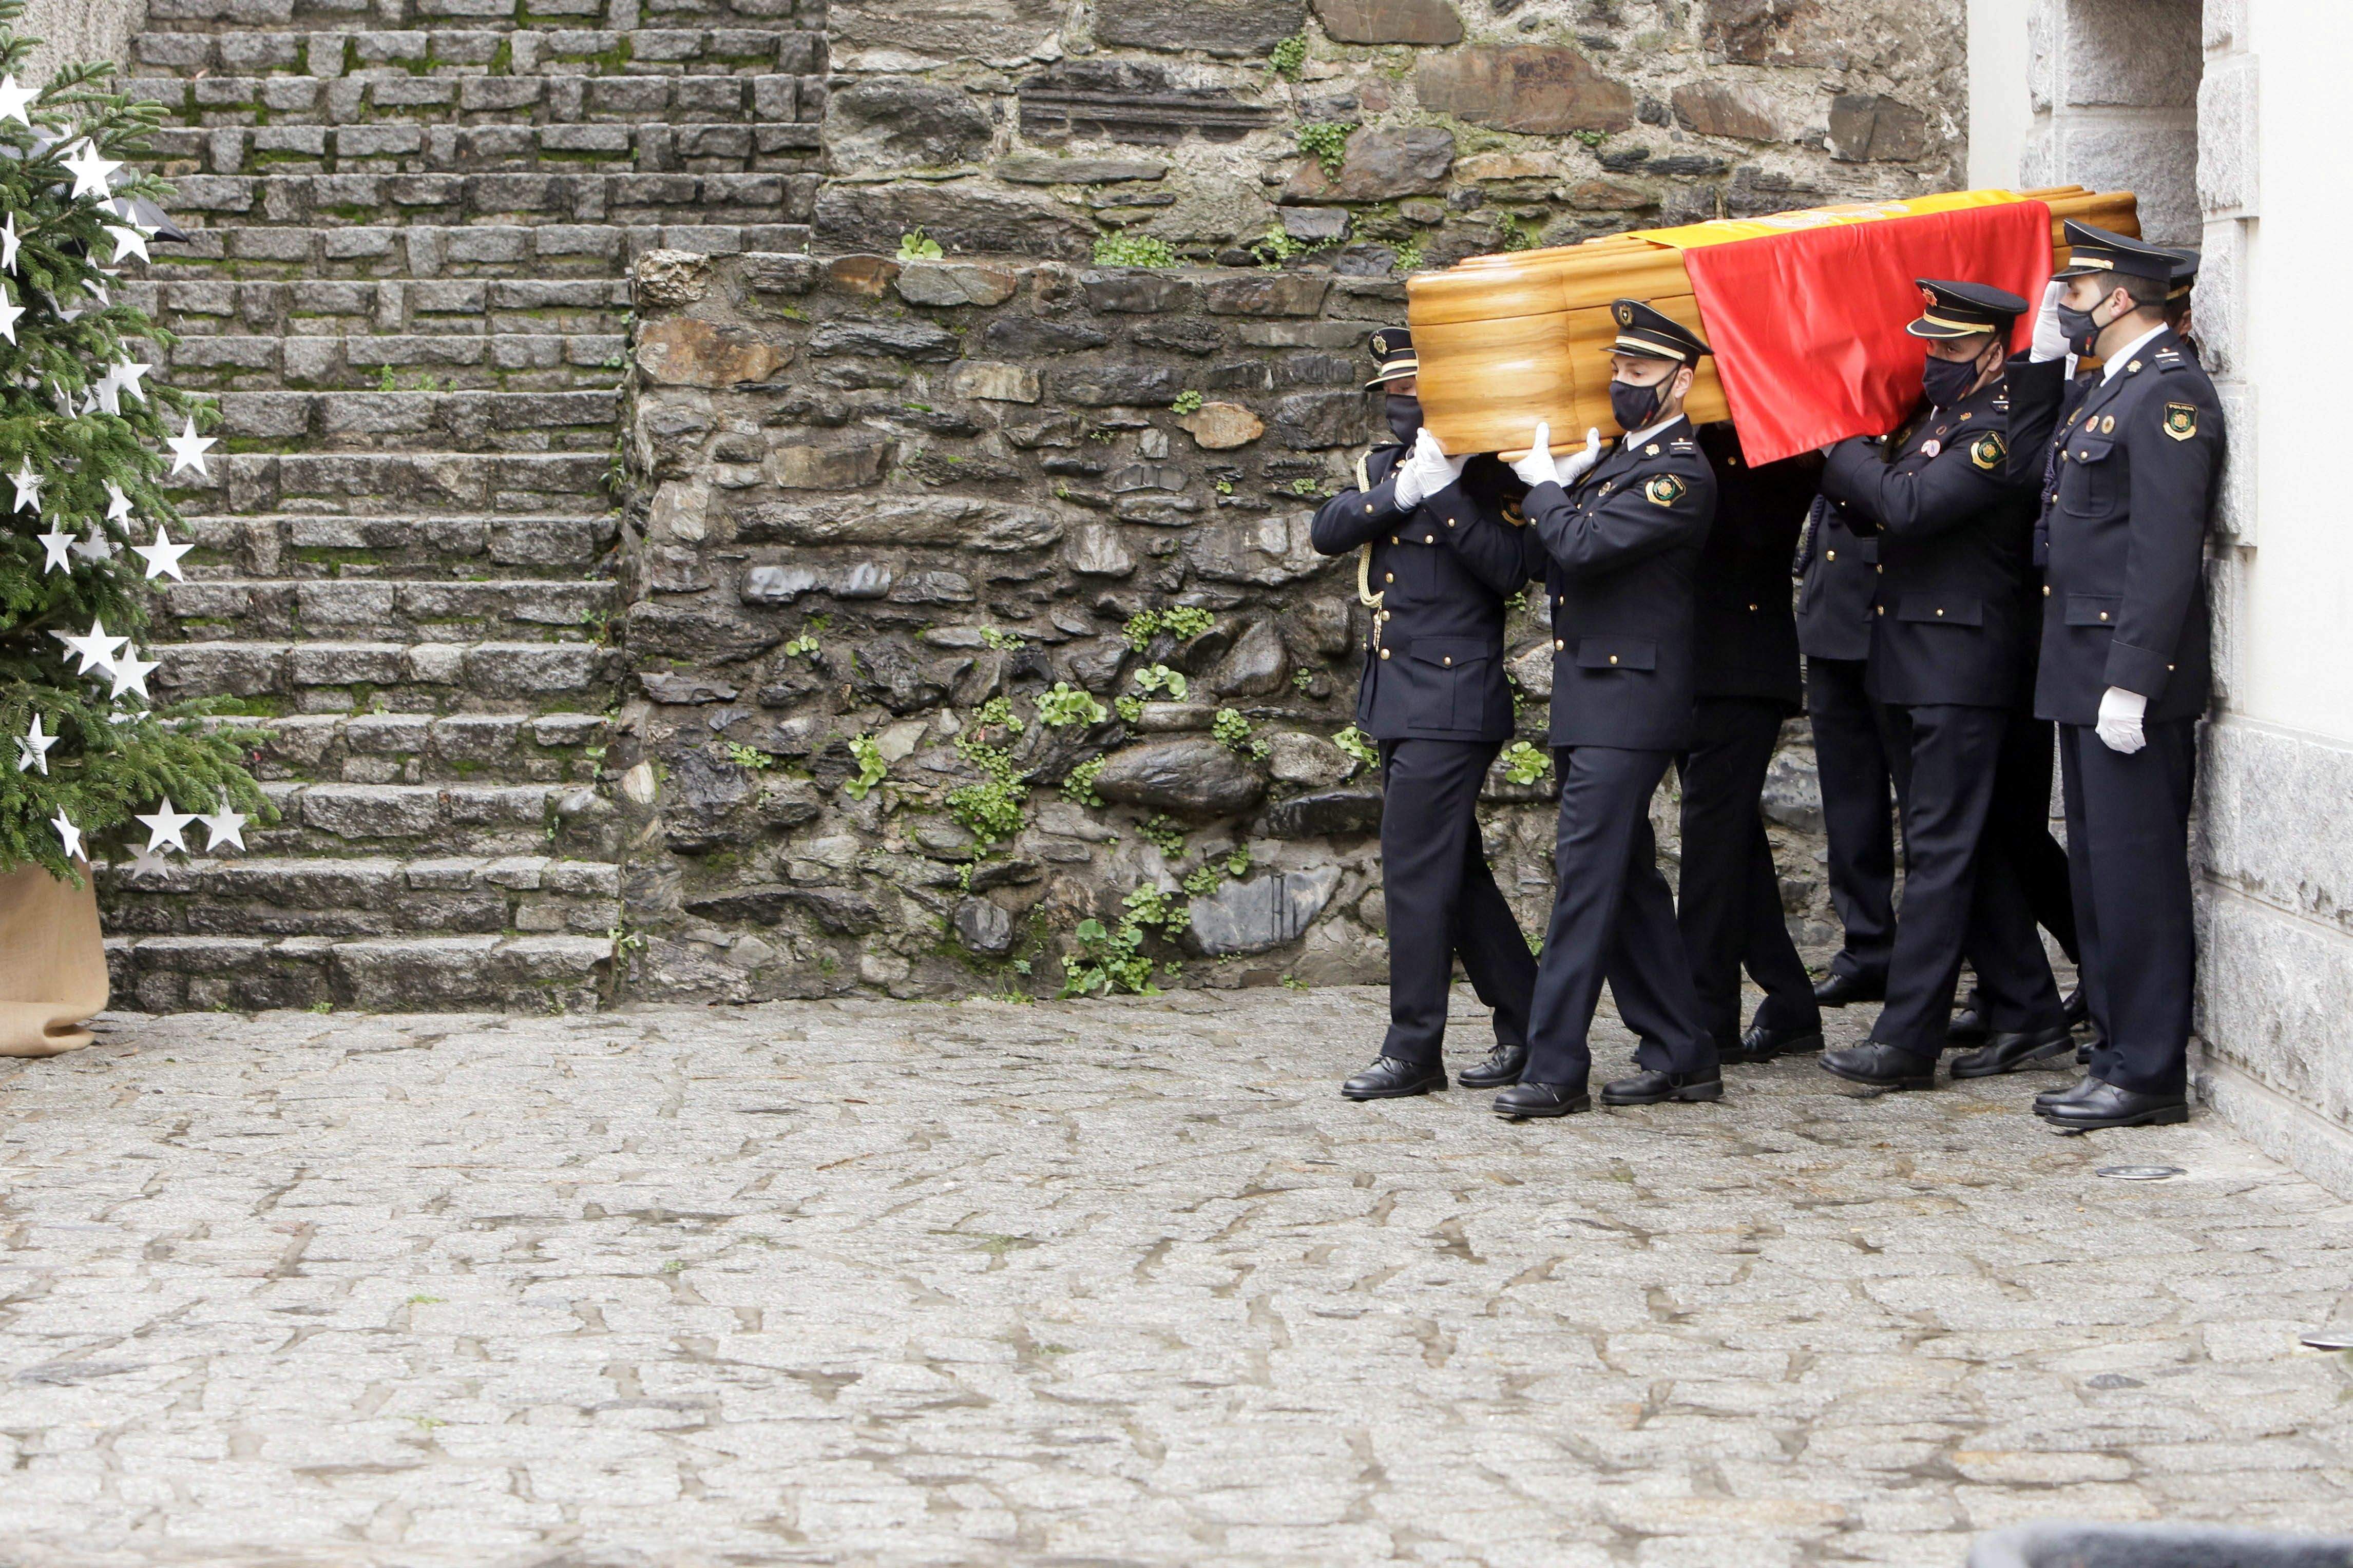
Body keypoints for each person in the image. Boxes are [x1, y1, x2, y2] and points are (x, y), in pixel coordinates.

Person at [1814, 280, 2071, 1092]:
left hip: (1961, 666)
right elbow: (1876, 512)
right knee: (1973, 845)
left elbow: (1911, 504)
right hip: (1908, 660)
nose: (1936, 363)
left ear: (1997, 350)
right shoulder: (1937, 418)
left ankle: (1906, 1038)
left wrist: (1839, 440)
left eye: (1954, 350)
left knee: (1937, 853)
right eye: (1931, 348)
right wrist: (1859, 473)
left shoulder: (1998, 429)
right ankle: (2026, 1006)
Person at [2011, 222, 2225, 1131]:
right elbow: (2029, 470)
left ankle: (2146, 1070)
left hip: (2126, 679)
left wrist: (2134, 678)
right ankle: (2113, 1050)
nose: (2065, 301)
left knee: (2134, 878)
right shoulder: (2105, 390)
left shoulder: (2168, 395)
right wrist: (2039, 366)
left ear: (2121, 296)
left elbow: (2165, 551)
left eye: (2077, 288)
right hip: (2080, 668)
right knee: (2098, 876)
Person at [1491, 300, 1721, 1119]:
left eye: (1636, 372)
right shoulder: (1622, 463)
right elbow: (1560, 546)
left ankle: (1555, 1066)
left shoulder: (1679, 472)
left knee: (1585, 880)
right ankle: (1683, 1051)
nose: (1620, 383)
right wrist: (1562, 489)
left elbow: (1584, 547)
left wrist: (1551, 490)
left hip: (1629, 699)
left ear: (1679, 380)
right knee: (1623, 882)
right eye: (1615, 371)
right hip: (1595, 694)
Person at [1311, 327, 1538, 1100]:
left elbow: (1509, 572)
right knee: (1455, 872)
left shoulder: (1489, 476)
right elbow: (1327, 530)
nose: (1399, 407)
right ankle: (1532, 1020)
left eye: (1413, 392)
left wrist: (1441, 490)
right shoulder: (1385, 469)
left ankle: (1413, 1047)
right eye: (1391, 394)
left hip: (1452, 696)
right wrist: (1401, 491)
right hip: (1395, 696)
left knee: (1413, 870)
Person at [1678, 424, 1825, 1063]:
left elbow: (1747, 533)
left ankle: (1705, 1015)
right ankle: (1790, 1001)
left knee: (1711, 840)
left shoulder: (1774, 444)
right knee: (1731, 840)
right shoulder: (1683, 443)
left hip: (1741, 669)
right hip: (1691, 666)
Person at [1793, 478, 1900, 1012]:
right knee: (1848, 807)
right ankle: (1868, 949)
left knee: (1939, 817)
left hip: (1891, 620)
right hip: (1833, 615)